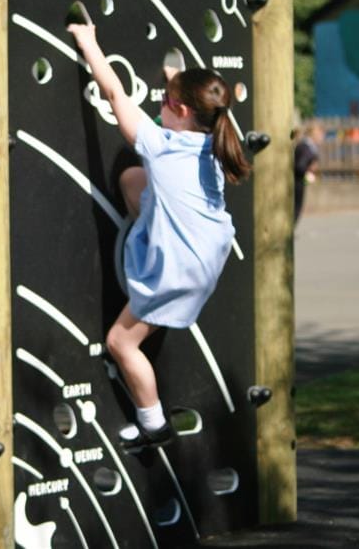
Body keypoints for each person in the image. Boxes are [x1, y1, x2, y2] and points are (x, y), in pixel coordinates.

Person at [68, 24, 250, 452]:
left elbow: (114, 94)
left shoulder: (162, 145)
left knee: (121, 342)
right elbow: (184, 108)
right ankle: (152, 224)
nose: (160, 109)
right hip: (206, 258)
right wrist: (174, 82)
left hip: (176, 271)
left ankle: (152, 422)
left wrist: (90, 41)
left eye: (166, 103)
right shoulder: (213, 146)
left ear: (182, 111)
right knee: (134, 180)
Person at [293, 122, 323, 225]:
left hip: (298, 182)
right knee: (296, 210)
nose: (321, 137)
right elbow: (299, 166)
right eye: (320, 134)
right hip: (297, 183)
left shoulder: (306, 146)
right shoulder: (306, 147)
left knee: (296, 210)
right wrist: (309, 169)